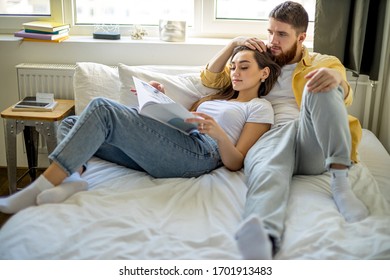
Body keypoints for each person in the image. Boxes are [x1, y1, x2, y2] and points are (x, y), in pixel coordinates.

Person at [0, 46, 281, 215]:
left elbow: (236, 162)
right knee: (71, 124)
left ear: (264, 73)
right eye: (233, 67)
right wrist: (159, 100)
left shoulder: (259, 108)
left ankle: (42, 185)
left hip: (202, 154)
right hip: (177, 144)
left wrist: (218, 132)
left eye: (244, 67)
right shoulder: (212, 98)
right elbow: (180, 121)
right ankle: (74, 178)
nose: (235, 73)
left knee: (102, 108)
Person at [200, 1, 369, 259]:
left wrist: (337, 81)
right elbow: (210, 80)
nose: (272, 40)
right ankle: (263, 235)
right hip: (267, 140)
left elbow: (344, 93)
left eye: (281, 34)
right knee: (269, 170)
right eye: (269, 32)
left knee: (321, 81)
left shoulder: (322, 62)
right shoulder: (258, 62)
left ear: (301, 37)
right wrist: (234, 43)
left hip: (312, 141)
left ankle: (340, 182)